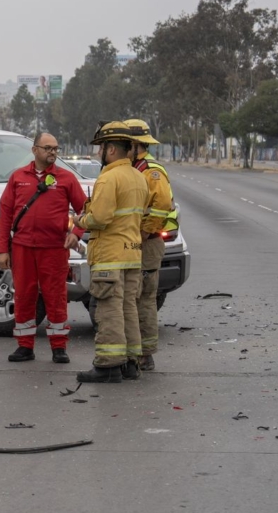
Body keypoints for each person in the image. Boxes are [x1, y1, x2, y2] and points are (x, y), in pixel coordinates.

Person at [0, 132, 88, 364]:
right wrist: (2, 250)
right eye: (47, 148)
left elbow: (85, 211)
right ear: (35, 150)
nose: (53, 152)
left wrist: (75, 234)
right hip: (22, 248)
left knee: (55, 296)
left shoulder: (66, 179)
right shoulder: (18, 177)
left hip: (54, 249)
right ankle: (25, 346)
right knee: (24, 296)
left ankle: (59, 347)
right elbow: (5, 214)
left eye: (56, 148)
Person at [71, 122, 149, 383]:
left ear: (112, 150)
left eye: (101, 148)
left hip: (110, 254)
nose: (98, 153)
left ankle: (108, 365)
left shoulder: (109, 177)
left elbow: (101, 217)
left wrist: (80, 220)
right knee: (128, 308)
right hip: (132, 253)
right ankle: (130, 362)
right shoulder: (138, 176)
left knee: (108, 309)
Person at [125, 118, 177, 371]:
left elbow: (162, 207)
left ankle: (145, 354)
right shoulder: (134, 167)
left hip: (147, 244)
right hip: (133, 243)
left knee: (143, 298)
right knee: (132, 298)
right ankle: (135, 351)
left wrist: (143, 233)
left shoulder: (151, 171)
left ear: (135, 144)